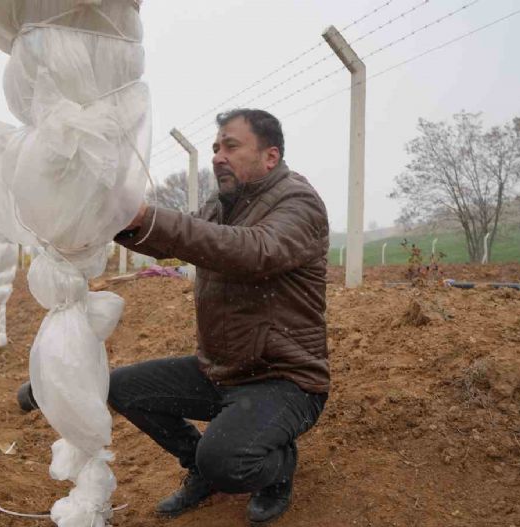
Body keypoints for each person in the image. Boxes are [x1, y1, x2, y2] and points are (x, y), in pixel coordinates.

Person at [18, 108, 330, 525]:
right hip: (222, 370)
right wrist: (104, 217)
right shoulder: (221, 207)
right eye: (216, 147)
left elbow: (254, 250)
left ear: (270, 157)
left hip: (285, 378)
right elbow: (176, 242)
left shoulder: (299, 203)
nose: (218, 155)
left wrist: (147, 216)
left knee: (227, 460)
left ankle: (276, 470)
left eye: (231, 146)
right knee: (124, 388)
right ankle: (199, 468)